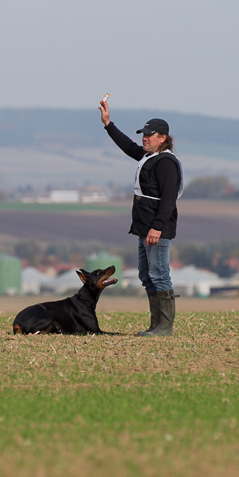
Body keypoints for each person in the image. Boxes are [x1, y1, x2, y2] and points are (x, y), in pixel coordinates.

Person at [99, 97, 184, 337]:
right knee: (146, 276)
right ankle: (156, 325)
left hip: (156, 228)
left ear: (162, 138)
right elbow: (128, 146)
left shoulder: (166, 162)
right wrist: (108, 124)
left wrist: (157, 227)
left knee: (159, 275)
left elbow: (168, 199)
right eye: (144, 134)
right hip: (144, 227)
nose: (144, 138)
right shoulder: (149, 156)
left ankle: (165, 328)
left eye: (149, 135)